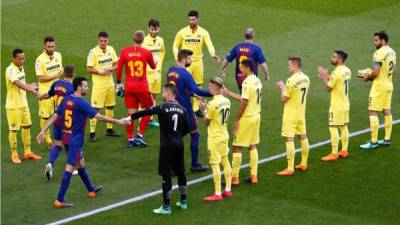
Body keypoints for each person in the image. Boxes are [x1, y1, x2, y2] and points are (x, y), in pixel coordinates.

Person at [37, 77, 128, 208]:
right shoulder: (81, 103)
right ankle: (59, 199)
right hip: (75, 140)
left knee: (81, 163)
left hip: (66, 137)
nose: (87, 87)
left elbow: (56, 115)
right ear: (79, 87)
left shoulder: (67, 99)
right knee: (70, 167)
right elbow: (99, 117)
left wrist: (43, 131)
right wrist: (119, 121)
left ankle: (91, 189)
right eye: (85, 85)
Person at [126, 83, 189, 215]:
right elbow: (187, 129)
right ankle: (183, 202)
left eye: (163, 92)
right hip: (179, 144)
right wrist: (177, 135)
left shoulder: (162, 107)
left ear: (168, 93)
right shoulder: (183, 109)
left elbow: (146, 112)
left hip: (167, 146)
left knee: (166, 174)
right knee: (181, 172)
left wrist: (130, 117)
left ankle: (166, 207)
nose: (162, 94)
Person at [167, 49, 212, 172]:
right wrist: (211, 92)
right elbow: (197, 89)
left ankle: (171, 167)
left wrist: (191, 94)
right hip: (185, 110)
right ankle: (194, 164)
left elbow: (177, 88)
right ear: (184, 59)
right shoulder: (186, 74)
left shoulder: (171, 71)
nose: (191, 61)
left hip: (171, 109)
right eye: (189, 59)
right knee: (195, 134)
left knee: (175, 137)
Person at [173, 10, 221, 117]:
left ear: (198, 19)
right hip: (185, 63)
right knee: (184, 85)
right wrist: (177, 57)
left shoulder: (204, 32)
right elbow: (175, 45)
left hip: (198, 62)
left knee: (198, 84)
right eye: (190, 19)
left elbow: (209, 43)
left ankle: (195, 109)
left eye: (193, 19)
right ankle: (183, 107)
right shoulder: (182, 32)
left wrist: (212, 53)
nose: (191, 21)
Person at [222, 59, 262, 185]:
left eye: (242, 68)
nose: (240, 70)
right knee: (252, 145)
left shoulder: (246, 82)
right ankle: (254, 176)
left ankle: (234, 178)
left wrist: (237, 120)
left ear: (248, 68)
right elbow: (245, 98)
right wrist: (228, 92)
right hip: (256, 116)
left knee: (236, 146)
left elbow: (244, 102)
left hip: (247, 118)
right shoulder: (257, 80)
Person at [116, 30, 157, 147]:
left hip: (129, 87)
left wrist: (118, 83)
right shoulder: (146, 52)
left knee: (131, 114)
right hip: (142, 87)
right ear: (143, 39)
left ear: (133, 38)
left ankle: (130, 139)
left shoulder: (124, 52)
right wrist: (155, 61)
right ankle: (139, 135)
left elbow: (119, 69)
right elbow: (153, 66)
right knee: (150, 110)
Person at [359, 31, 397, 149]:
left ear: (383, 41)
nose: (374, 42)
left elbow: (376, 72)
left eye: (376, 40)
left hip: (379, 86)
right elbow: (394, 70)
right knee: (386, 110)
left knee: (372, 111)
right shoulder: (392, 52)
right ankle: (386, 139)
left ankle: (374, 142)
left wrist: (367, 77)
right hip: (389, 84)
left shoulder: (378, 53)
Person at [37, 65, 75, 180]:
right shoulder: (72, 88)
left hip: (56, 118)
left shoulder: (56, 84)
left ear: (63, 74)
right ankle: (72, 167)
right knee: (71, 142)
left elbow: (48, 94)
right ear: (73, 74)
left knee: (58, 144)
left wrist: (41, 97)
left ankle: (51, 163)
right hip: (67, 119)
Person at [6, 48, 42, 164]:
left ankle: (28, 152)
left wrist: (30, 85)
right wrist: (30, 88)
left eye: (23, 58)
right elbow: (18, 84)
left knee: (27, 126)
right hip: (13, 106)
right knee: (14, 130)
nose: (22, 61)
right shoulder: (10, 70)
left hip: (23, 103)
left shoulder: (21, 68)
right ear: (14, 58)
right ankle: (14, 154)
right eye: (20, 59)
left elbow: (23, 83)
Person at [200, 77, 233, 202]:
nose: (209, 87)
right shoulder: (226, 101)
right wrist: (206, 107)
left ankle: (218, 193)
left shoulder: (212, 104)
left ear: (216, 87)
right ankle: (228, 189)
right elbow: (215, 112)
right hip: (224, 135)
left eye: (211, 86)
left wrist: (205, 109)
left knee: (215, 164)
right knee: (225, 161)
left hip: (214, 138)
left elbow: (207, 122)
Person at [276, 57, 310, 176]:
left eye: (289, 65)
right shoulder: (306, 78)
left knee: (288, 139)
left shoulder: (290, 80)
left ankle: (290, 169)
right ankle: (304, 163)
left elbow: (283, 98)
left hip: (290, 114)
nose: (288, 66)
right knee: (303, 137)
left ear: (296, 65)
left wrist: (281, 86)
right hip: (301, 113)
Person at [87, 31, 121, 142]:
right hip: (99, 86)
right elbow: (89, 68)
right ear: (98, 40)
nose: (103, 42)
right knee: (95, 109)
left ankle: (109, 129)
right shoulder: (93, 52)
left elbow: (117, 63)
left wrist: (113, 68)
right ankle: (92, 132)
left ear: (108, 40)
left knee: (110, 106)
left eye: (105, 41)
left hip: (110, 84)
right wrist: (99, 71)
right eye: (101, 41)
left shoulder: (111, 49)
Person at [318, 50, 351, 161]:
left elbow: (328, 88)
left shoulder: (336, 72)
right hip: (345, 103)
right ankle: (344, 150)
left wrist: (324, 77)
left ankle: (334, 153)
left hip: (337, 105)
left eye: (334, 57)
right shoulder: (347, 70)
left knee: (333, 127)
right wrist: (328, 76)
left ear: (340, 59)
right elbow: (337, 83)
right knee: (344, 126)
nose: (332, 58)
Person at [35, 36, 64, 147]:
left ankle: (58, 136)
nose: (51, 49)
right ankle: (48, 139)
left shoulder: (58, 55)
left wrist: (60, 72)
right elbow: (40, 78)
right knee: (45, 116)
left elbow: (60, 69)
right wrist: (56, 75)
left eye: (53, 46)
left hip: (57, 91)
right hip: (45, 91)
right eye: (49, 47)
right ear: (44, 46)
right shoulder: (40, 60)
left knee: (57, 114)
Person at [142, 19, 166, 127]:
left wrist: (159, 63)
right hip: (147, 73)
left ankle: (150, 119)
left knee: (154, 96)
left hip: (157, 72)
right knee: (146, 96)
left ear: (159, 29)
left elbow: (162, 51)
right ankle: (143, 119)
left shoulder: (161, 40)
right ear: (149, 29)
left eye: (156, 29)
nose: (154, 31)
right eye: (152, 29)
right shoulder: (144, 41)